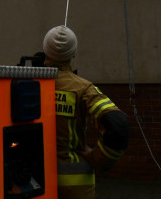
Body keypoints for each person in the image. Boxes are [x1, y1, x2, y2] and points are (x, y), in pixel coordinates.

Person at [42, 25, 128, 199]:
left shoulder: (27, 83)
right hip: (76, 188)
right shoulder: (83, 89)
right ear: (73, 53)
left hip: (34, 183)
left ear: (45, 49)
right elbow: (118, 126)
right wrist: (99, 159)